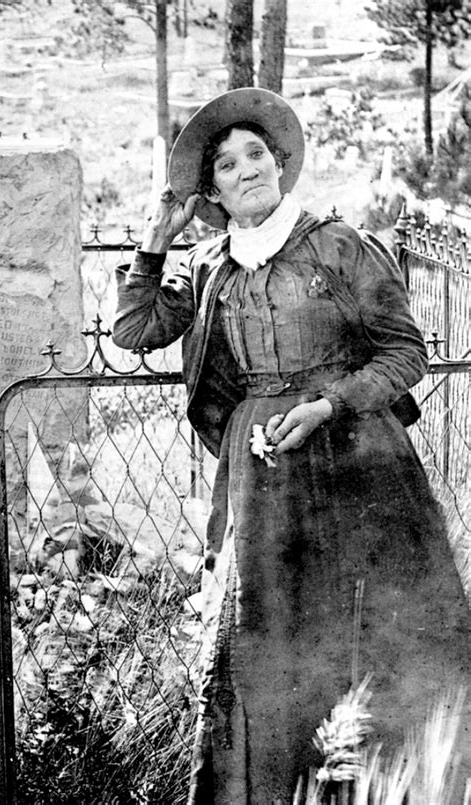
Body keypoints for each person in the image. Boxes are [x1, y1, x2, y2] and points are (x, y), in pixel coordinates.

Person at [113, 88, 469, 804]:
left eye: (257, 154)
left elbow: (405, 355)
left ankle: (397, 788)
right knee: (269, 649)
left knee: (378, 636)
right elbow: (134, 331)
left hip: (362, 468)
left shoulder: (341, 246)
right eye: (226, 163)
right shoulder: (211, 266)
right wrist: (158, 239)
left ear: (280, 163)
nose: (248, 169)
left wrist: (329, 403)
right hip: (265, 483)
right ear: (209, 190)